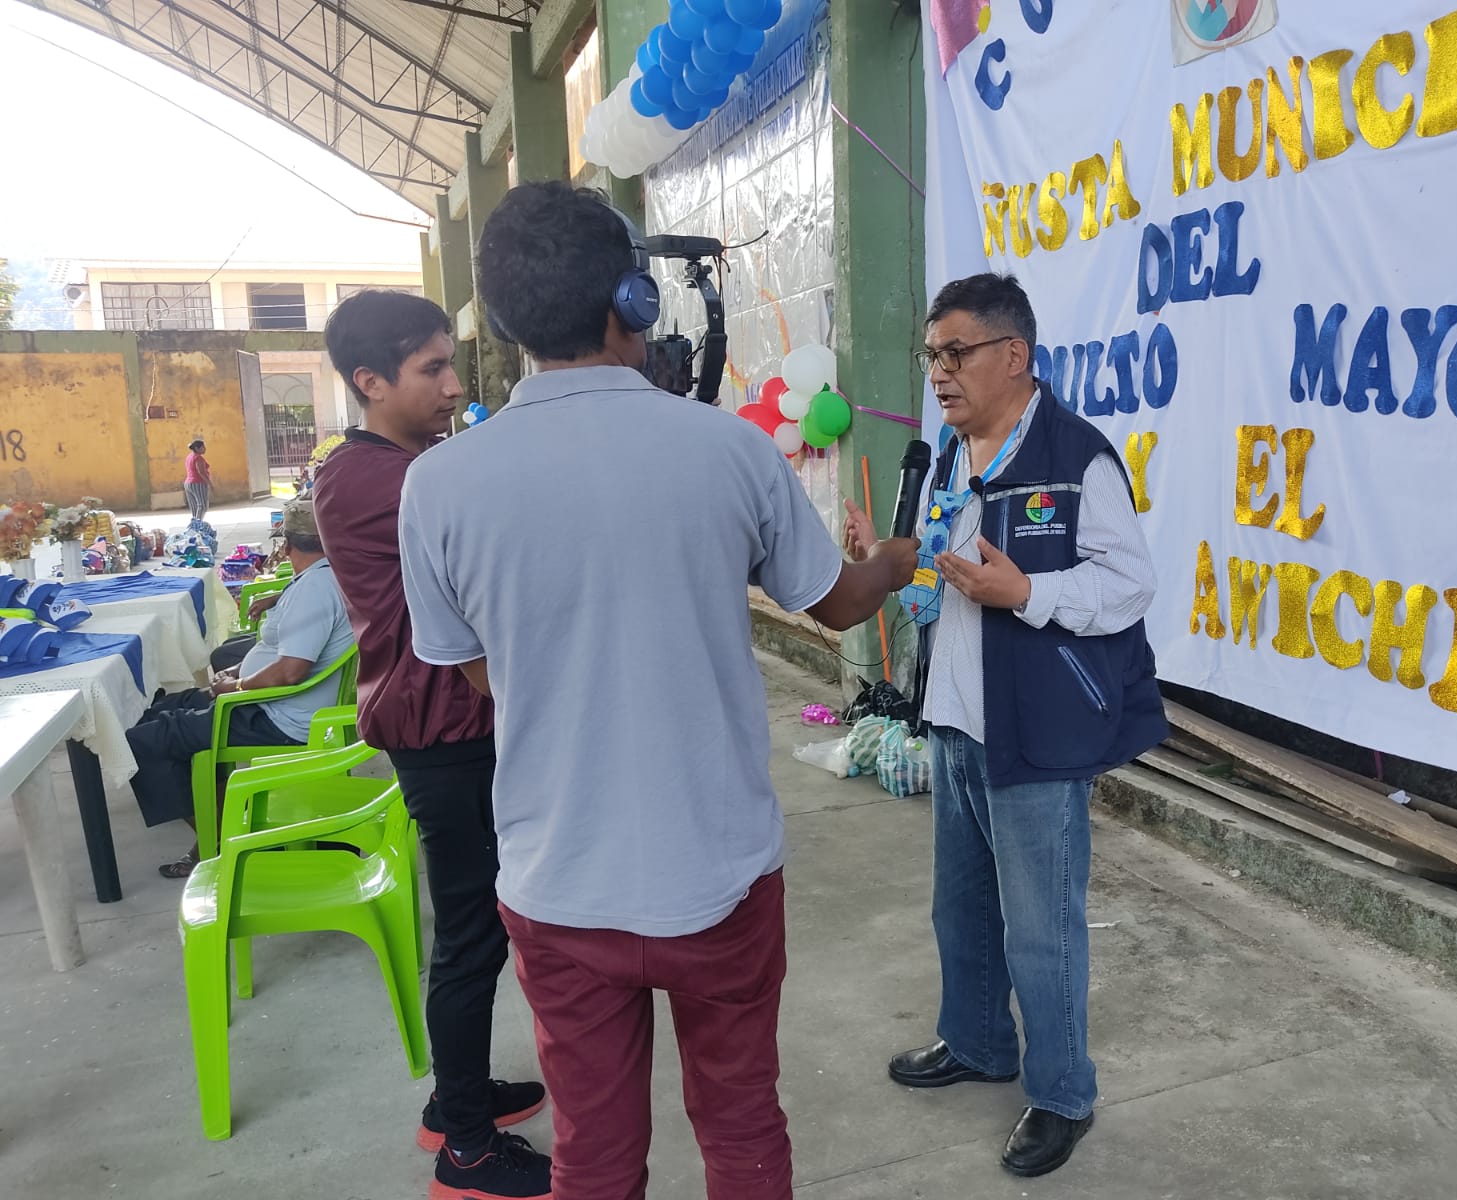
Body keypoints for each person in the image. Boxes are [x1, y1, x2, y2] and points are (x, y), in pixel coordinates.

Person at [397, 181, 918, 1200]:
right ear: (634, 302)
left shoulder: (439, 486)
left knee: (593, 1154)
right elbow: (840, 605)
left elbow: (473, 674)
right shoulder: (726, 450)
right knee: (741, 1126)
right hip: (718, 874)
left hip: (557, 885)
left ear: (501, 325)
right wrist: (894, 562)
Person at [844, 273, 1169, 1180]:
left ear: (1013, 356)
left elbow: (1129, 584)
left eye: (956, 353)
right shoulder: (952, 454)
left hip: (1038, 733)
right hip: (954, 723)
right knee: (963, 911)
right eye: (931, 357)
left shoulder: (1077, 457)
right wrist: (888, 567)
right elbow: (940, 575)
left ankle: (1063, 1092)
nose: (939, 374)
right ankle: (979, 1041)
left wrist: (1028, 592)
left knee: (1042, 928)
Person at [316, 289, 549, 1200]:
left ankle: (461, 1095)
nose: (454, 386)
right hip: (443, 729)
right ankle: (464, 1148)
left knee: (479, 927)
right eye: (433, 370)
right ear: (370, 383)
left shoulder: (413, 460)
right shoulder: (376, 477)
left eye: (453, 363)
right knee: (470, 933)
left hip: (459, 720)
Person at [128, 499, 353, 878]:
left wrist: (238, 685)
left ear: (287, 545)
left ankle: (223, 843)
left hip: (275, 714)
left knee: (142, 742)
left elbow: (290, 671)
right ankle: (226, 826)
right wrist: (236, 671)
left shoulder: (317, 587)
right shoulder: (326, 575)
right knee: (157, 712)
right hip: (266, 703)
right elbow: (280, 651)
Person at [184, 439, 212, 521]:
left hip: (188, 484)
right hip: (198, 483)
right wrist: (210, 483)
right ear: (197, 448)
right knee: (202, 505)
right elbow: (201, 472)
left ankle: (195, 524)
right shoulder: (198, 458)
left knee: (194, 507)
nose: (205, 449)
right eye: (203, 447)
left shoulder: (189, 456)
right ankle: (197, 524)